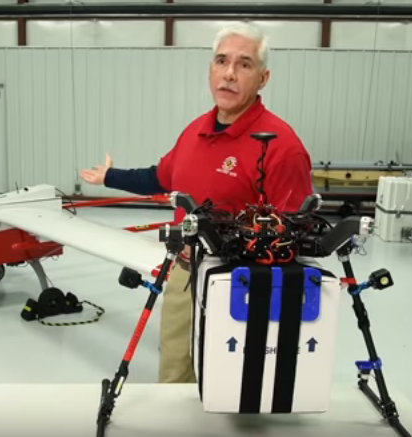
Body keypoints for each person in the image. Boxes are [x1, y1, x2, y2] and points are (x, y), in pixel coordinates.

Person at [80, 22, 314, 384]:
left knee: (235, 384)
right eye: (221, 61)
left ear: (263, 78)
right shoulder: (195, 132)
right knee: (175, 375)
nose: (230, 73)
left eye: (244, 64)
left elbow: (297, 232)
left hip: (243, 286)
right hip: (185, 274)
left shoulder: (283, 147)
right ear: (210, 70)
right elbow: (160, 177)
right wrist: (111, 177)